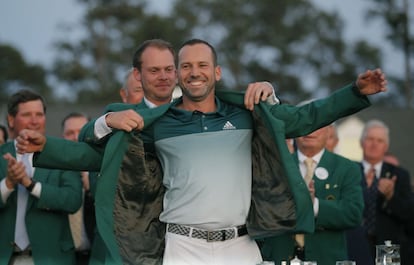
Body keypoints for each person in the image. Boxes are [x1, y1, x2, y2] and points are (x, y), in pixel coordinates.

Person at [17, 39, 387, 265]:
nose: (194, 72)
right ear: (178, 75)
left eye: (202, 65)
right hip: (181, 249)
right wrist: (47, 147)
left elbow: (307, 117)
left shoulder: (249, 114)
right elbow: (96, 157)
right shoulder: (158, 123)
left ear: (218, 72)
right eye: (186, 66)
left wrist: (355, 92)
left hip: (242, 247)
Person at [260, 122, 364, 265]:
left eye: (317, 125)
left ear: (329, 132)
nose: (310, 130)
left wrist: (314, 205)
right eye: (305, 124)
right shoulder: (275, 165)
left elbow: (353, 214)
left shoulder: (346, 168)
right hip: (280, 257)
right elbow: (259, 211)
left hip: (326, 259)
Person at [0, 90, 83, 265]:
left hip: (52, 258)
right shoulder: (1, 155)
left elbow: (73, 200)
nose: (35, 121)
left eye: (39, 114)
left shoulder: (62, 153)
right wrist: (8, 184)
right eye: (27, 114)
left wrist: (31, 185)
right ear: (11, 120)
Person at [347, 119, 414, 265]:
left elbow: (409, 213)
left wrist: (390, 197)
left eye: (380, 140)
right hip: (354, 243)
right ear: (361, 142)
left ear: (386, 146)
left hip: (388, 246)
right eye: (370, 139)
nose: (374, 144)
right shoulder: (348, 170)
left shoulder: (399, 175)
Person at [62, 112, 96, 265]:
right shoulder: (53, 171)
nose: (76, 137)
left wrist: (93, 187)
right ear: (62, 137)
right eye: (70, 133)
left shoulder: (103, 169)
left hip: (98, 255)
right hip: (63, 256)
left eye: (81, 132)